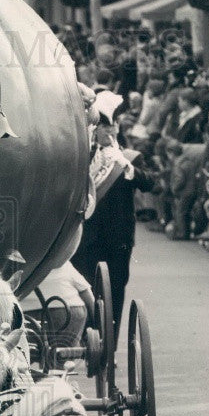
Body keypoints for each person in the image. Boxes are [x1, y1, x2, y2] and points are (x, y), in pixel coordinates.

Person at [71, 90, 154, 340]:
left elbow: (151, 183)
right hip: (86, 236)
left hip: (118, 237)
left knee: (115, 289)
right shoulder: (82, 155)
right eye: (105, 126)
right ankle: (87, 339)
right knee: (85, 286)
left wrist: (130, 170)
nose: (111, 131)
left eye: (114, 125)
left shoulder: (129, 158)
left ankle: (109, 344)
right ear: (94, 128)